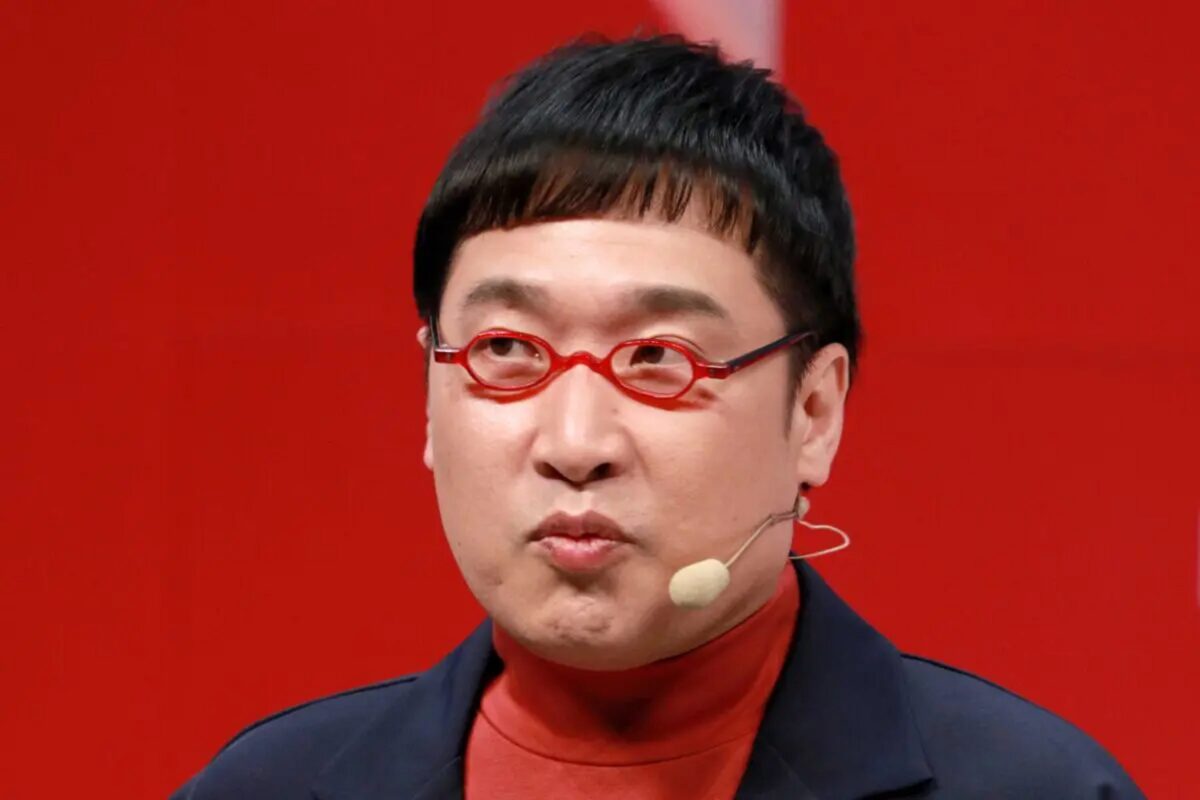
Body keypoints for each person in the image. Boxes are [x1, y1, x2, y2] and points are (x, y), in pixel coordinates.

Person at [171, 35, 1144, 799]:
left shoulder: (1038, 787)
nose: (575, 443)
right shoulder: (266, 786)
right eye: (507, 350)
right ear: (430, 394)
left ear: (814, 411)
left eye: (657, 360)